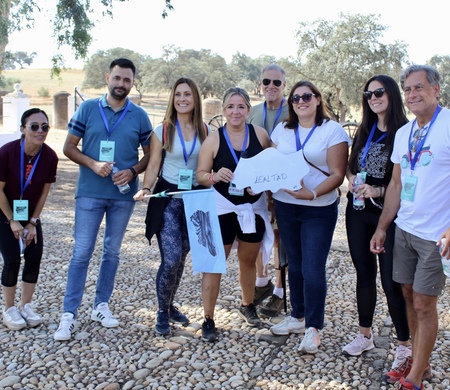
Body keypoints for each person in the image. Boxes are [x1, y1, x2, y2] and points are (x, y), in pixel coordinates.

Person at [54, 58, 152, 341]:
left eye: (127, 80)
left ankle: (101, 306)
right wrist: (93, 164)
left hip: (122, 196)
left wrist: (133, 171)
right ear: (107, 77)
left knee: (112, 252)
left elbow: (149, 156)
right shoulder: (87, 108)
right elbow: (69, 148)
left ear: (132, 83)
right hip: (89, 192)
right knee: (81, 252)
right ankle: (68, 314)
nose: (122, 84)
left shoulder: (139, 115)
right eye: (118, 78)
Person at [370, 64, 450, 390]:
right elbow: (396, 185)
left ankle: (415, 375)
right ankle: (422, 362)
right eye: (408, 89)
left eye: (419, 88)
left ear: (436, 90)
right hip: (405, 228)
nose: (413, 94)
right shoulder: (404, 133)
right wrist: (382, 227)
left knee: (423, 302)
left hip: (436, 234)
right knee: (406, 293)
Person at [269, 80, 350, 354]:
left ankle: (314, 327)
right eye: (295, 98)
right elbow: (271, 163)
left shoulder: (332, 130)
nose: (301, 101)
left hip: (318, 208)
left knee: (313, 268)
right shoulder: (282, 129)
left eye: (306, 96)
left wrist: (312, 194)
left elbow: (338, 174)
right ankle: (298, 317)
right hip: (285, 205)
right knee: (295, 263)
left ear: (317, 99)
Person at [343, 75, 411, 367]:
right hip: (358, 211)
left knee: (391, 280)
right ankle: (364, 334)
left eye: (379, 92)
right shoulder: (365, 129)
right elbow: (350, 167)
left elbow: (406, 182)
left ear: (392, 94)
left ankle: (405, 345)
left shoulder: (405, 132)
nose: (373, 98)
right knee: (364, 274)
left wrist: (378, 189)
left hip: (389, 215)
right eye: (368, 94)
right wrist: (353, 182)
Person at [133, 77, 208, 335]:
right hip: (169, 201)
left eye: (187, 94)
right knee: (171, 258)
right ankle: (162, 312)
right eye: (178, 95)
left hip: (195, 203)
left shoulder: (205, 130)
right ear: (172, 99)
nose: (182, 99)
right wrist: (145, 187)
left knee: (182, 257)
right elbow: (153, 164)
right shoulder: (162, 130)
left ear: (195, 98)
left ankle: (169, 304)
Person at [196, 87, 271, 342]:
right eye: (231, 107)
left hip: (253, 208)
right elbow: (200, 174)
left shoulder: (260, 135)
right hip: (223, 208)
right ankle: (208, 318)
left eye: (241, 107)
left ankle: (247, 305)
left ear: (248, 110)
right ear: (224, 110)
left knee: (248, 260)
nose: (236, 111)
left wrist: (263, 185)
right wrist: (214, 177)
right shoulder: (214, 139)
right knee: (215, 263)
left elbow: (272, 170)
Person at [0, 108, 58, 330]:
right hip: (5, 211)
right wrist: (12, 220)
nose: (40, 131)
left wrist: (33, 222)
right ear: (23, 129)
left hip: (30, 214)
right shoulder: (6, 153)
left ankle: (26, 306)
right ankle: (9, 308)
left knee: (34, 256)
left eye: (45, 127)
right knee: (12, 259)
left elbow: (44, 193)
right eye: (34, 126)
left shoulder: (50, 156)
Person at [248, 64, 289, 317]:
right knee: (255, 233)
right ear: (260, 84)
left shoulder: (293, 110)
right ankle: (261, 282)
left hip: (281, 185)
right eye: (266, 82)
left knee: (279, 238)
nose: (271, 86)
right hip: (255, 186)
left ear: (284, 85)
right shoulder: (251, 111)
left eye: (276, 82)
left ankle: (279, 292)